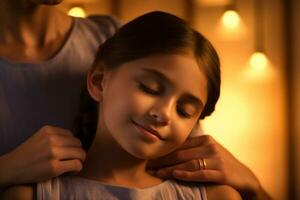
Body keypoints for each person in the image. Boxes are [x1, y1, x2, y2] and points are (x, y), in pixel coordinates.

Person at [0, 1, 271, 199]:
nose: (164, 114)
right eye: (149, 88)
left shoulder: (114, 37)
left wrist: (252, 185)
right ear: (97, 81)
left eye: (185, 110)